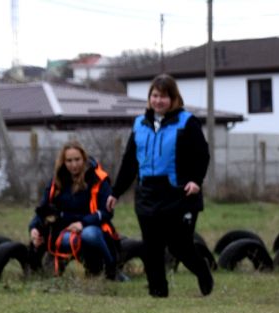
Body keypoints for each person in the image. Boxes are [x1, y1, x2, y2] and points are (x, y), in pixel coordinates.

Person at [108, 74, 213, 298]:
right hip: (147, 193)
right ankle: (158, 291)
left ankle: (202, 270)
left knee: (180, 246)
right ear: (149, 98)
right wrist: (115, 192)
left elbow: (202, 155)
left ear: (174, 99)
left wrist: (196, 180)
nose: (158, 101)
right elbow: (129, 162)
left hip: (179, 193)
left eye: (164, 97)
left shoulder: (187, 122)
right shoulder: (139, 124)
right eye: (155, 96)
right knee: (152, 246)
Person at [29, 141, 123, 280]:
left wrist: (82, 223)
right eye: (69, 161)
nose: (74, 165)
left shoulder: (99, 179)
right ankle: (42, 271)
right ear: (63, 162)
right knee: (46, 236)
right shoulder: (57, 181)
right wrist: (34, 228)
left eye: (77, 160)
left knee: (88, 235)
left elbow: (107, 212)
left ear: (84, 159)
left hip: (93, 227)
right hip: (64, 230)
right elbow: (44, 209)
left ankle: (111, 270)